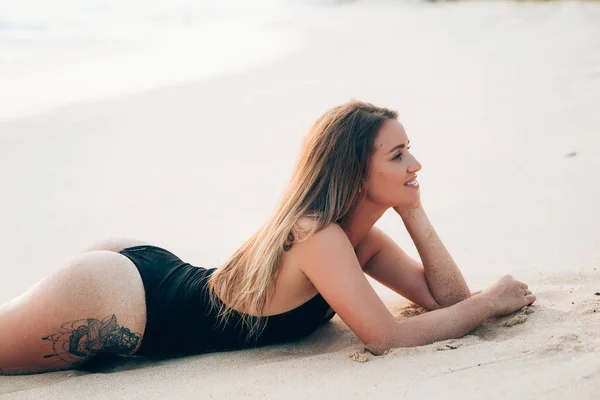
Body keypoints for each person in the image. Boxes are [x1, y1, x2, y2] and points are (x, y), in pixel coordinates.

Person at [0, 100, 536, 375]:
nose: (415, 163)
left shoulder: (358, 241)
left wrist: (413, 211)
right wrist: (490, 303)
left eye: (409, 149)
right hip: (122, 297)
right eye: (397, 156)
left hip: (149, 285)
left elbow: (446, 301)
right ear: (353, 172)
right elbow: (386, 338)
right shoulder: (316, 235)